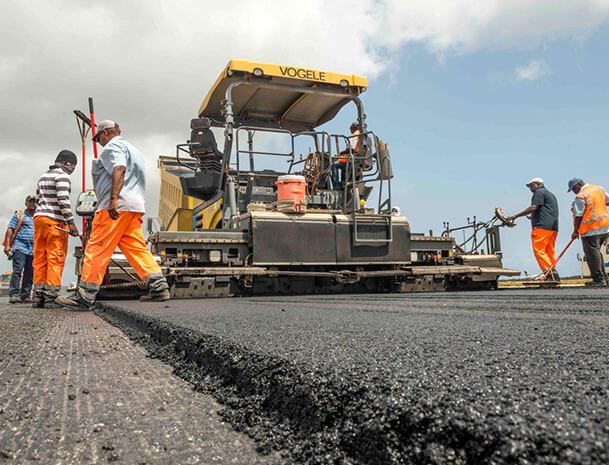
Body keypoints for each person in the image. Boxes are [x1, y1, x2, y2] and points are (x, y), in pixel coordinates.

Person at [56, 120, 170, 310]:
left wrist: (113, 199)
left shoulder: (112, 147)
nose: (99, 142)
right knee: (136, 248)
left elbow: (119, 169)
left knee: (96, 248)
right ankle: (158, 286)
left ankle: (84, 296)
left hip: (115, 208)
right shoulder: (135, 151)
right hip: (134, 207)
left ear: (106, 133)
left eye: (99, 137)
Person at [33, 150, 80, 307]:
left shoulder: (43, 176)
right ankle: (51, 297)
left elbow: (38, 199)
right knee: (55, 257)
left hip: (39, 220)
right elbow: (63, 201)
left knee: (40, 258)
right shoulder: (63, 176)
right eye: (73, 165)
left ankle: (38, 296)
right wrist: (71, 223)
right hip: (55, 222)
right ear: (67, 163)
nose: (73, 169)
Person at [507, 177, 560, 281]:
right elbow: (547, 210)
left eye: (532, 186)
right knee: (549, 251)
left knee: (539, 250)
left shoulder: (539, 192)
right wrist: (533, 216)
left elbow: (533, 207)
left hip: (541, 227)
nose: (530, 189)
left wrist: (515, 216)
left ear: (538, 184)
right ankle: (554, 274)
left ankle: (548, 274)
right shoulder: (550, 194)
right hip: (553, 228)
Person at [567, 178, 609, 286]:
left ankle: (599, 280)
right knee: (596, 253)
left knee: (591, 254)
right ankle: (604, 278)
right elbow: (607, 202)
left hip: (591, 229)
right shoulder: (599, 189)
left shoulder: (581, 196)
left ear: (578, 184)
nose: (574, 191)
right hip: (604, 228)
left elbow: (578, 216)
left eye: (573, 189)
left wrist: (575, 231)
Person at [3, 195, 36, 303]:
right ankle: (14, 294)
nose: (32, 204)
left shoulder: (39, 217)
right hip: (20, 246)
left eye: (34, 202)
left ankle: (25, 295)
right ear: (26, 203)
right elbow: (10, 229)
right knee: (18, 270)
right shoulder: (19, 215)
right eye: (30, 201)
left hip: (34, 248)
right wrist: (7, 245)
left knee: (30, 272)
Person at [331, 122, 360, 190]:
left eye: (351, 129)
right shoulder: (360, 135)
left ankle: (336, 185)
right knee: (339, 163)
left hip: (350, 160)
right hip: (352, 159)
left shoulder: (355, 135)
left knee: (334, 165)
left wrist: (341, 153)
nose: (350, 130)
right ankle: (342, 183)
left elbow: (351, 149)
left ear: (354, 128)